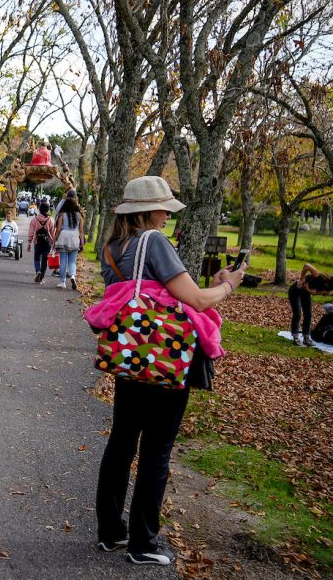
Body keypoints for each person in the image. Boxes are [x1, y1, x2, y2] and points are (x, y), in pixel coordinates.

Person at [94, 175, 243, 566]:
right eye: (164, 208)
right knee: (157, 449)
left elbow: (144, 294)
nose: (166, 216)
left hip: (131, 355)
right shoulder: (154, 242)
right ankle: (143, 543)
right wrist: (227, 285)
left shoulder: (113, 247)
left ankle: (110, 532)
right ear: (149, 210)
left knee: (121, 442)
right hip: (165, 356)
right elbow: (194, 299)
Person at [288, 264, 333, 345]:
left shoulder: (328, 290)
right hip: (295, 289)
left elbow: (314, 293)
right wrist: (301, 279)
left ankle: (306, 337)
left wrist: (308, 289)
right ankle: (295, 337)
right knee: (297, 313)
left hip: (305, 292)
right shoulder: (318, 276)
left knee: (308, 314)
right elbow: (306, 266)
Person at [53, 195, 85, 290]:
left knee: (63, 262)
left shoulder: (62, 214)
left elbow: (58, 229)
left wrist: (54, 240)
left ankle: (62, 282)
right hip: (74, 238)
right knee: (72, 262)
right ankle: (73, 276)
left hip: (63, 237)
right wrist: (82, 243)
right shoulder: (79, 215)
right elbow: (81, 230)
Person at [27, 202, 55, 283]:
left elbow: (31, 232)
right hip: (47, 243)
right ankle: (41, 278)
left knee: (36, 258)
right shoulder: (51, 220)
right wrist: (53, 243)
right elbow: (53, 232)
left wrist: (29, 242)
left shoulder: (34, 220)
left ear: (39, 209)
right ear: (48, 210)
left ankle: (37, 271)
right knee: (44, 260)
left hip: (37, 242)